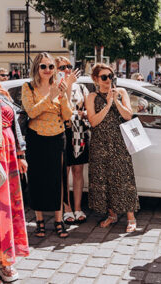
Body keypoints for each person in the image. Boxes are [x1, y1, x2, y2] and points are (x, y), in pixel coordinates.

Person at [22, 52, 72, 238]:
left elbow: (67, 115)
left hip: (57, 137)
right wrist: (49, 98)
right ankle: (40, 221)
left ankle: (59, 221)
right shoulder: (28, 87)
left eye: (51, 66)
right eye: (43, 66)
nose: (48, 70)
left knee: (57, 181)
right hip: (36, 138)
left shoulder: (58, 87)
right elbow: (32, 112)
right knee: (37, 180)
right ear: (37, 68)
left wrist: (64, 94)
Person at [0, 42, 29, 284]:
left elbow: (14, 122)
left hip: (8, 155)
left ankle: (3, 261)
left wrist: (22, 153)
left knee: (5, 209)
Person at [85, 63, 138, 232]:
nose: (108, 80)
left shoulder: (121, 93)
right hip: (100, 143)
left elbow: (128, 115)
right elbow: (93, 122)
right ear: (96, 79)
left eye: (110, 77)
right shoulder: (92, 97)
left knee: (124, 179)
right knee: (103, 179)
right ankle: (111, 215)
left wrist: (115, 100)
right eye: (104, 77)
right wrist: (107, 105)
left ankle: (131, 218)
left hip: (119, 142)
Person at [55, 56, 89, 225]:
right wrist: (67, 86)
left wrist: (85, 114)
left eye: (69, 66)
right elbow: (64, 111)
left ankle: (77, 207)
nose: (67, 70)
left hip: (79, 132)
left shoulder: (81, 87)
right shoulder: (55, 87)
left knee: (78, 171)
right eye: (62, 67)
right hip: (63, 131)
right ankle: (66, 208)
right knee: (64, 172)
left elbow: (88, 109)